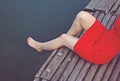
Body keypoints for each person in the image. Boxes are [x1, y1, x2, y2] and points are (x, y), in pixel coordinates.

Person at [27, 11, 120, 64]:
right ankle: (69, 40)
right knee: (82, 16)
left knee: (63, 37)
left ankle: (40, 46)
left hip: (100, 52)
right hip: (105, 36)